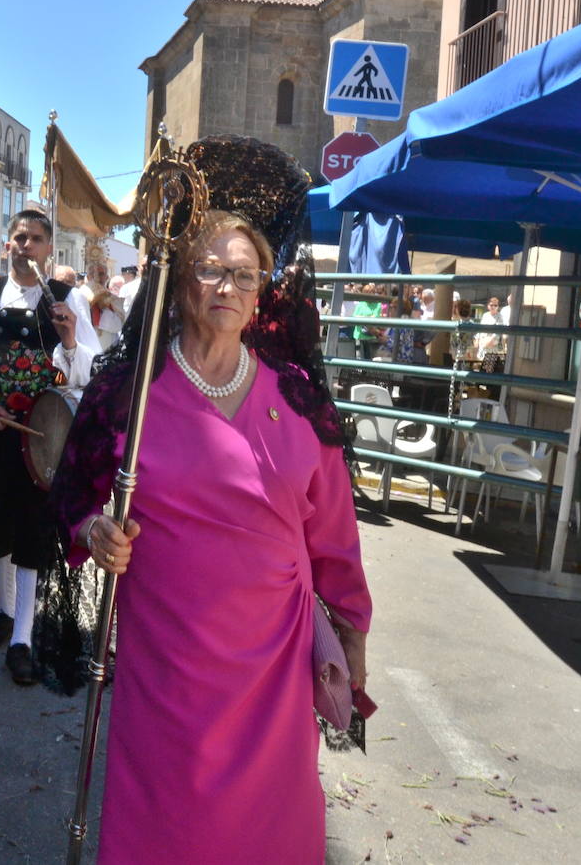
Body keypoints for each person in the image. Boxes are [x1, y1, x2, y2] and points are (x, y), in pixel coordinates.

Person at [44, 135, 372, 863]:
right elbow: (73, 497)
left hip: (272, 684)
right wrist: (97, 529)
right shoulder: (127, 395)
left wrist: (352, 632)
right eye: (211, 270)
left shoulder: (298, 402)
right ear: (178, 279)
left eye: (245, 275)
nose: (227, 287)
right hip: (167, 681)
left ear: (265, 292)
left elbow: (336, 540)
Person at [0, 210, 100, 685]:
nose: (25, 246)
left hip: (43, 436)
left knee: (31, 528)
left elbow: (87, 374)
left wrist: (70, 338)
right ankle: (7, 610)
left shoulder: (70, 301)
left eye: (34, 239)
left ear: (50, 249)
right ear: (7, 245)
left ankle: (23, 638)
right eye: (18, 238)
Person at [95, 275, 126, 349]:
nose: (119, 290)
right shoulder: (100, 298)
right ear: (110, 287)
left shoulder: (121, 301)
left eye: (122, 287)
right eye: (117, 287)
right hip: (101, 339)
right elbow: (114, 325)